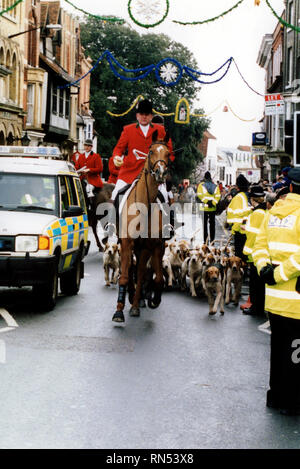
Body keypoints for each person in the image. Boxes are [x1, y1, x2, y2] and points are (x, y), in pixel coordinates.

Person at [252, 167, 300, 415]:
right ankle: (292, 401)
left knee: (278, 347)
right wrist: (282, 274)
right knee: (295, 352)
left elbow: (259, 248)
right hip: (296, 299)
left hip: (275, 297)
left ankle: (276, 395)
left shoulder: (272, 214)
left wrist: (266, 271)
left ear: (289, 188)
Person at [242, 185, 267, 316]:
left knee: (255, 284)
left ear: (253, 199)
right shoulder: (263, 212)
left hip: (255, 253)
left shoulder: (257, 214)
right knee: (259, 283)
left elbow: (253, 235)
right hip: (260, 252)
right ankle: (258, 306)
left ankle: (256, 308)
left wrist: (247, 252)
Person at [226, 174, 251, 261]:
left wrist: (233, 229)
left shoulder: (238, 197)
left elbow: (234, 215)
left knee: (239, 256)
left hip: (239, 230)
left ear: (237, 186)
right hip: (250, 229)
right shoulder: (249, 196)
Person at [75, 139, 103, 210]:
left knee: (88, 188)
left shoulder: (96, 156)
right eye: (85, 145)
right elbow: (77, 167)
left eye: (88, 146)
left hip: (92, 179)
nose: (86, 147)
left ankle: (89, 206)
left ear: (91, 147)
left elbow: (100, 169)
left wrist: (90, 170)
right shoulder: (81, 156)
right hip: (82, 178)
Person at [197, 171, 221, 243]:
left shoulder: (201, 185)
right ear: (210, 177)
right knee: (212, 225)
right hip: (212, 208)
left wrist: (206, 201)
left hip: (203, 207)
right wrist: (212, 203)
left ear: (205, 177)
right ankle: (212, 240)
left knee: (204, 225)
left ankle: (205, 240)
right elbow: (218, 196)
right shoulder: (215, 186)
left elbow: (199, 195)